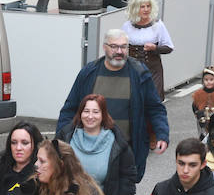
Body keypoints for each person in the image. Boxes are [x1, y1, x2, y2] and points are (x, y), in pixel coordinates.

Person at [56, 29, 168, 180]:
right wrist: (60, 141)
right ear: (104, 47)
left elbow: (155, 108)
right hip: (89, 152)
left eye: (123, 47)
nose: (119, 51)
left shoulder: (139, 73)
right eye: (114, 46)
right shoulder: (89, 73)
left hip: (125, 153)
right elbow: (70, 109)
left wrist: (162, 134)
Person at [56, 93, 137, 195]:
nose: (90, 116)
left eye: (95, 112)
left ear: (103, 115)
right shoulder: (66, 136)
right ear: (80, 113)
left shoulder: (117, 142)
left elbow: (128, 176)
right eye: (86, 111)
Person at [121, 0, 175, 98]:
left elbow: (169, 48)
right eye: (142, 7)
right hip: (133, 70)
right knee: (135, 101)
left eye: (148, 6)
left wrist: (155, 48)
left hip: (153, 70)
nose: (146, 10)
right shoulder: (127, 26)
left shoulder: (158, 25)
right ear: (135, 8)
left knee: (153, 100)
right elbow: (120, 47)